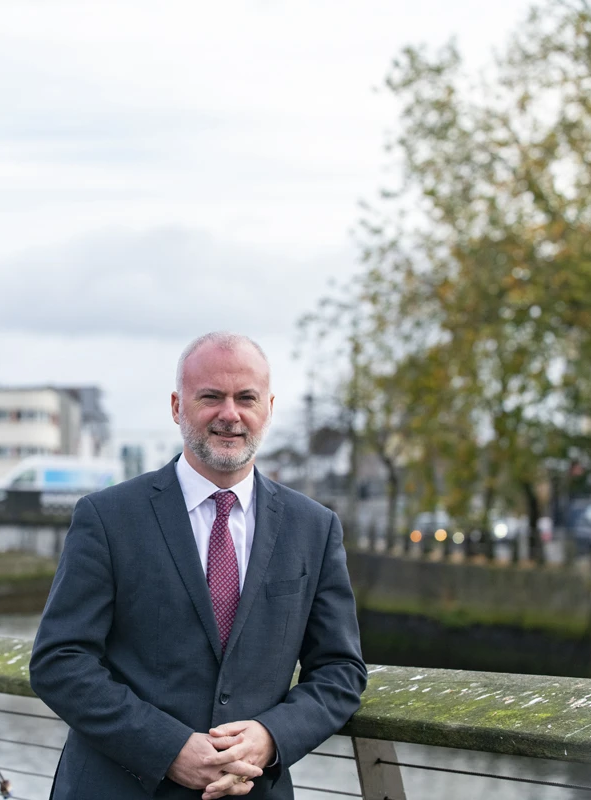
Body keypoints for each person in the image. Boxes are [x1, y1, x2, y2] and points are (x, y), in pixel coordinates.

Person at [30, 332, 366, 799]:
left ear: (268, 408)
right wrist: (166, 748)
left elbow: (340, 670)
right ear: (176, 406)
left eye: (246, 398)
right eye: (210, 397)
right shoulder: (107, 517)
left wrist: (272, 737)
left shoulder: (314, 527)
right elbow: (59, 661)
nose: (230, 414)